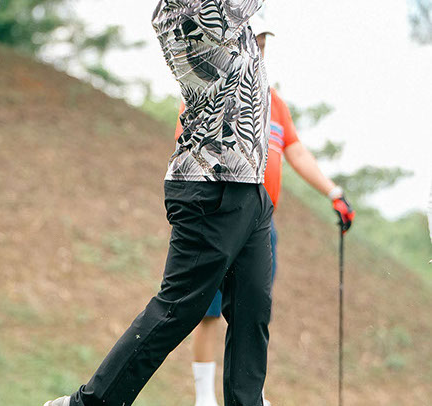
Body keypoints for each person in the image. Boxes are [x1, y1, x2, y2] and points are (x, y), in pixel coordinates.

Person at [43, 1, 275, 405]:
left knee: (252, 311)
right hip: (211, 186)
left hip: (248, 187)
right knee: (177, 310)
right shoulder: (198, 14)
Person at [180, 16, 355, 406]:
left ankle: (250, 393)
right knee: (208, 310)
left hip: (261, 223)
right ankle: (204, 398)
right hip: (219, 218)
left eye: (262, 42)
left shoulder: (275, 103)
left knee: (253, 311)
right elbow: (189, 150)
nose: (258, 48)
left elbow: (296, 151)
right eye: (252, 40)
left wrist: (334, 192)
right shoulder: (208, 88)